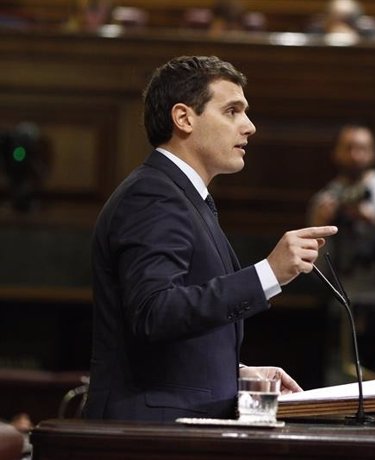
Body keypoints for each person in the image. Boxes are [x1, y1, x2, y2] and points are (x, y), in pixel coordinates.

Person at [83, 56, 337, 422]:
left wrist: (234, 374)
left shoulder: (183, 196)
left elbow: (169, 332)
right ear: (184, 118)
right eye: (232, 111)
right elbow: (154, 313)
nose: (249, 127)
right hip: (149, 434)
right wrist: (268, 273)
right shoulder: (154, 195)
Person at [307, 124, 375, 372]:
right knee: (344, 372)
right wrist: (323, 226)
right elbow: (316, 267)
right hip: (344, 302)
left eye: (362, 148)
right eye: (349, 148)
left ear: (374, 153)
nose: (356, 155)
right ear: (336, 153)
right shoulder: (326, 200)